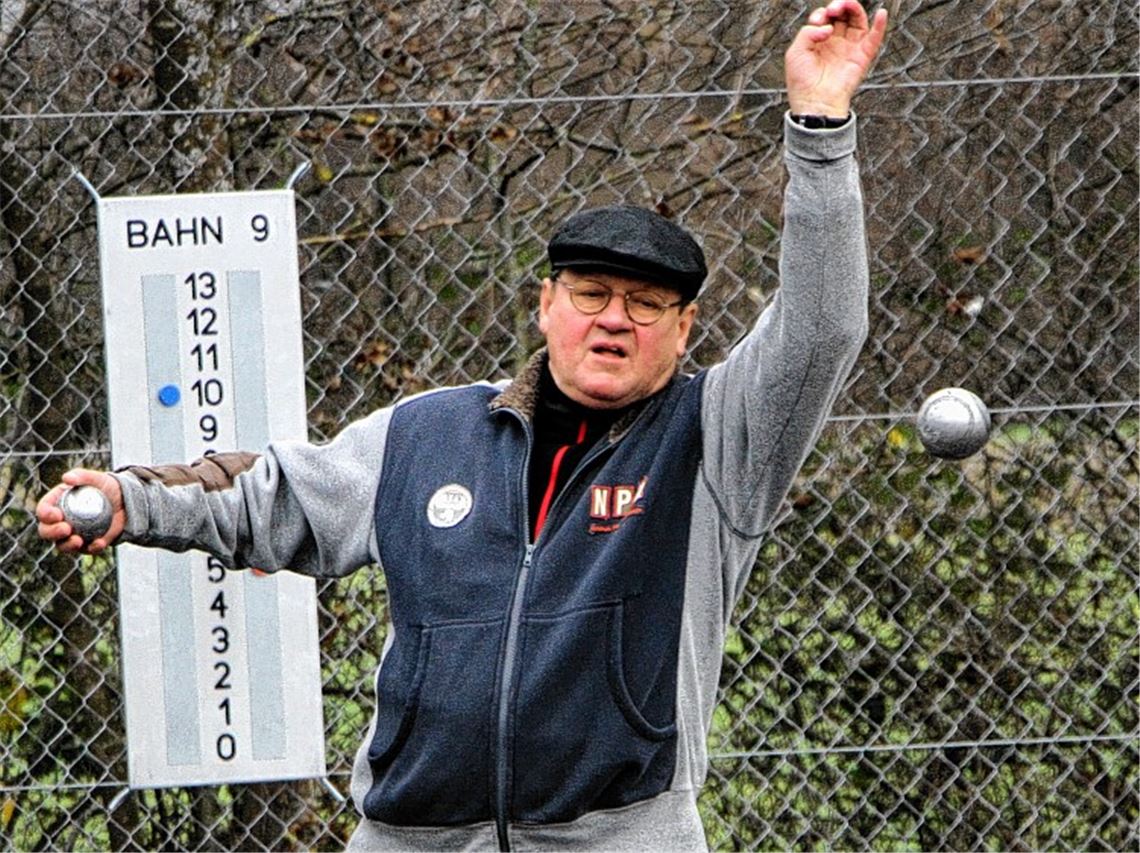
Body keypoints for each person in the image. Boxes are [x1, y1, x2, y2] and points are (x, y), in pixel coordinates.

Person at [38, 2, 887, 849]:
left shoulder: (714, 442)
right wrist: (132, 500)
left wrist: (819, 125)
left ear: (684, 326)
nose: (615, 319)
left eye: (646, 303)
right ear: (547, 305)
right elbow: (269, 500)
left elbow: (822, 325)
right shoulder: (427, 433)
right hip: (412, 836)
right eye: (591, 294)